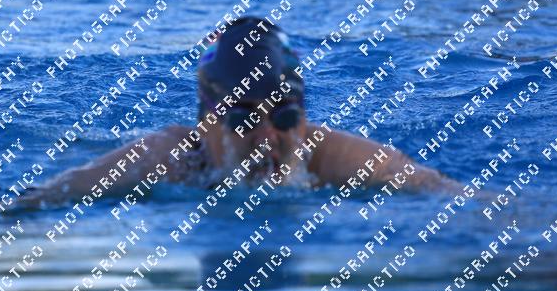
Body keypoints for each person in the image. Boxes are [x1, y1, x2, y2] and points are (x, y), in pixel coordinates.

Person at [26, 16, 454, 205]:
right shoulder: (170, 158)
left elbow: (458, 199)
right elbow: (41, 199)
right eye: (244, 117)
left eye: (283, 115)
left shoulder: (337, 158)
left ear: (304, 117)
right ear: (206, 123)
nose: (267, 136)